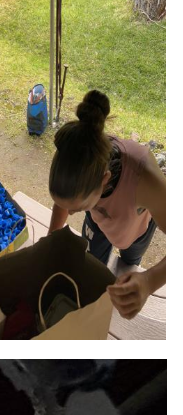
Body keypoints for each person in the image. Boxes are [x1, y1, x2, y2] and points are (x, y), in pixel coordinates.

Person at [47, 89, 166, 320]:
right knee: (92, 265)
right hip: (100, 222)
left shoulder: (144, 180)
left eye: (77, 209)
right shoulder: (80, 158)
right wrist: (52, 237)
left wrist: (149, 281)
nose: (69, 213)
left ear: (104, 181)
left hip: (135, 230)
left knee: (129, 267)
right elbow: (66, 202)